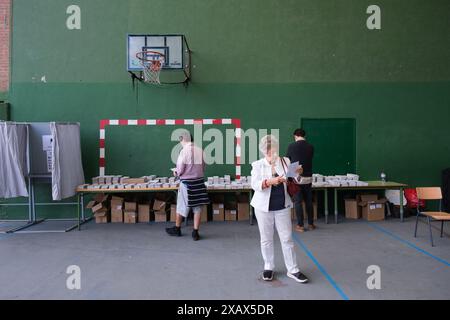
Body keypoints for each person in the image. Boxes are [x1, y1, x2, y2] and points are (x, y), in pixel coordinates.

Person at [250, 135, 309, 283]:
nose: (272, 154)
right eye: (268, 152)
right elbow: (255, 185)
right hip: (263, 207)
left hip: (282, 205)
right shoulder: (257, 165)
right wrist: (270, 181)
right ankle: (268, 266)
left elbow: (294, 180)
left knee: (287, 238)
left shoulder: (285, 161)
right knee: (266, 239)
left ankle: (293, 269)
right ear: (263, 151)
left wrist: (298, 173)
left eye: (274, 150)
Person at [166, 131, 209, 241]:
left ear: (182, 139)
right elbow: (204, 167)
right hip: (199, 182)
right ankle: (195, 232)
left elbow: (180, 170)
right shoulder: (201, 150)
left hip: (187, 184)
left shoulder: (183, 151)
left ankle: (177, 228)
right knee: (198, 208)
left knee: (181, 206)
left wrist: (175, 173)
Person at [286, 128, 315, 232]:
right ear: (304, 135)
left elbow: (287, 161)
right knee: (308, 201)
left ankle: (300, 225)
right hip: (308, 177)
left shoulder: (291, 146)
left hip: (296, 178)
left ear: (295, 136)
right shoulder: (310, 147)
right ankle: (311, 224)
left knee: (298, 202)